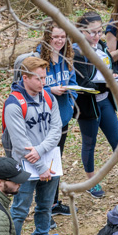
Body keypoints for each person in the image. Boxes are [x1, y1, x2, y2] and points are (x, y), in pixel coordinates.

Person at [2, 56, 62, 235]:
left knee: (45, 207)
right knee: (19, 209)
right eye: (38, 78)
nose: (43, 83)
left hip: (50, 163)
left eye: (45, 78)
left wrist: (41, 151)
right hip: (25, 167)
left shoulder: (48, 97)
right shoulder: (13, 104)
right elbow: (20, 144)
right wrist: (39, 164)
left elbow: (57, 129)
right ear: (25, 77)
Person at [74, 11, 118, 199]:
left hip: (105, 101)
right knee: (89, 143)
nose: (96, 36)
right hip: (87, 106)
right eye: (91, 32)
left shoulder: (100, 46)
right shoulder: (77, 52)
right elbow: (82, 82)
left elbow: (107, 69)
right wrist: (107, 83)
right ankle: (91, 181)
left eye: (99, 32)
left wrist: (114, 77)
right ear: (81, 31)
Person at [37, 22, 78, 217]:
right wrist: (49, 90)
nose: (60, 41)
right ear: (47, 38)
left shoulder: (66, 57)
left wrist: (70, 99)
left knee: (56, 159)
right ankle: (43, 207)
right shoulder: (37, 58)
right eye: (55, 37)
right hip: (44, 120)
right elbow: (29, 87)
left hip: (62, 116)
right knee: (44, 160)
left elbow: (73, 82)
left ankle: (52, 204)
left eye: (63, 37)